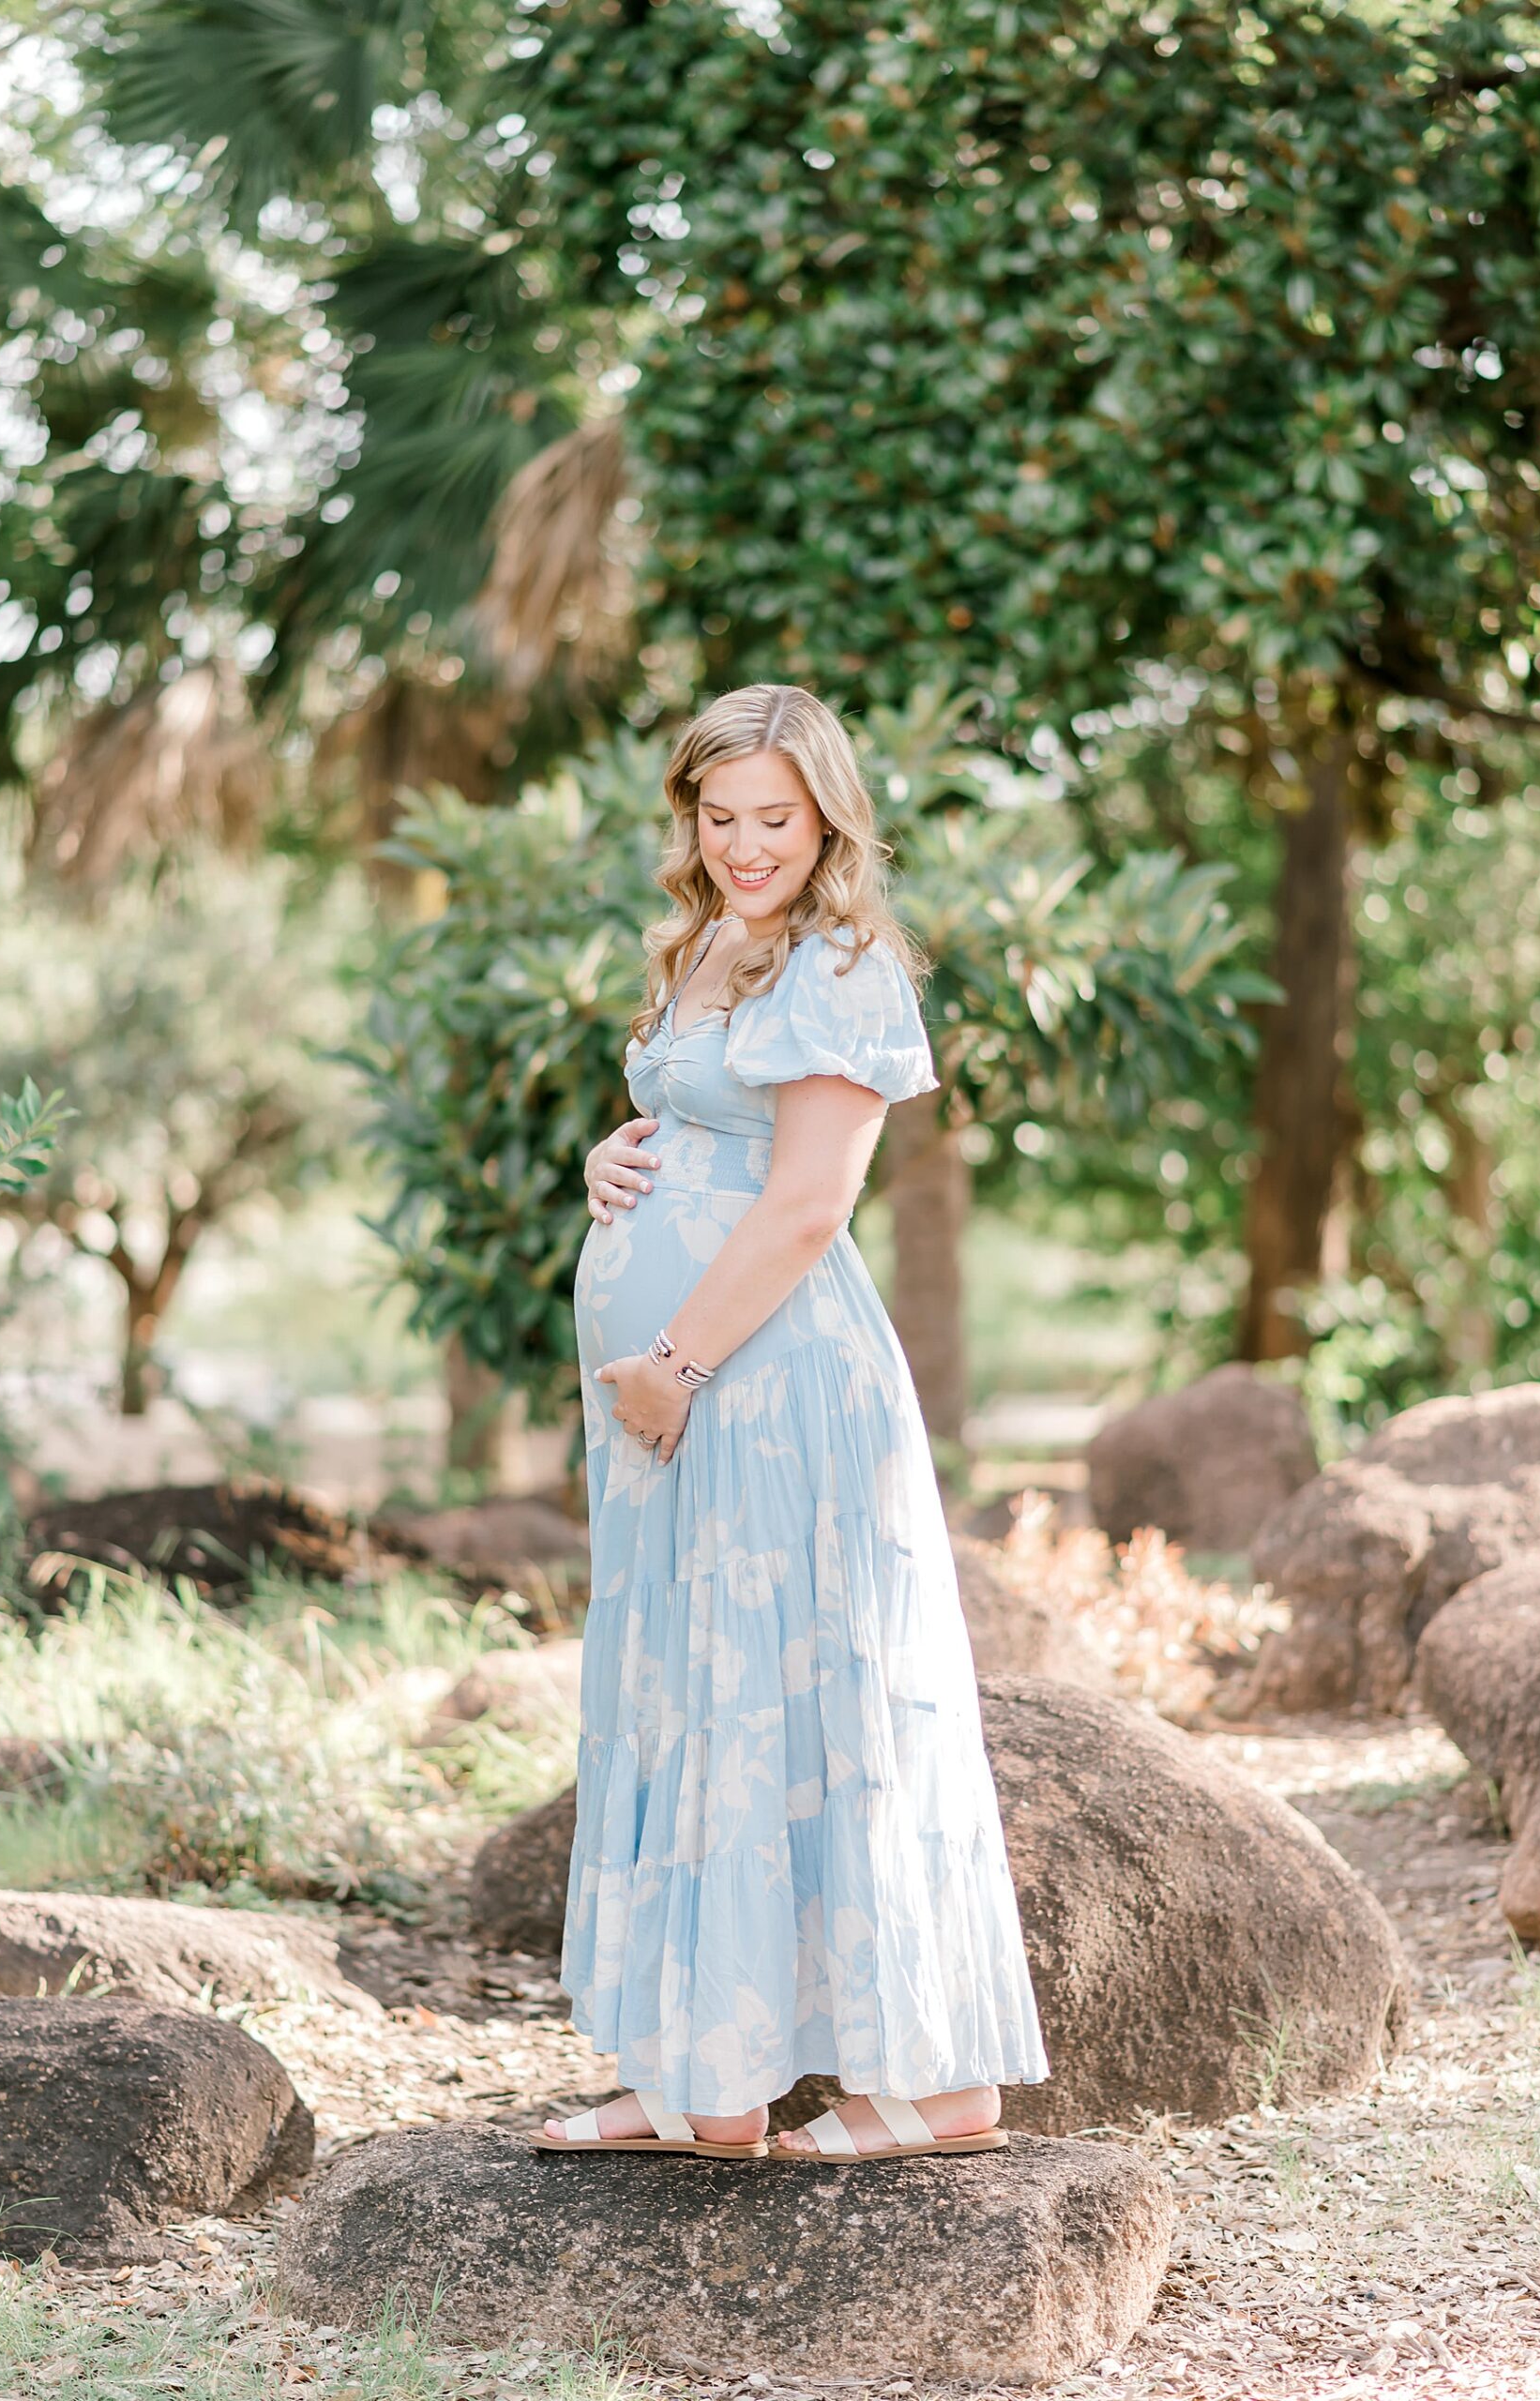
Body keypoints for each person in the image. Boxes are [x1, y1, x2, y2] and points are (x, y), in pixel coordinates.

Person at [534, 683, 1049, 2164]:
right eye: (720, 816)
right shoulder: (704, 941)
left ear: (826, 818)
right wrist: (614, 1155)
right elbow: (712, 1126)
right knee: (687, 1692)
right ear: (687, 818)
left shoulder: (842, 965)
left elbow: (813, 1199)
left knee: (795, 1701)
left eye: (775, 817)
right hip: (681, 1392)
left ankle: (934, 2089)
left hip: (760, 1384)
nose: (747, 844)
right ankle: (698, 2066)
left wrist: (670, 1364)